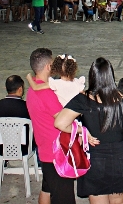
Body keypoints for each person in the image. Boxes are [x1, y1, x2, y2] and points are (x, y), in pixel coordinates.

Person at [55, 58, 123, 203]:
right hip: (120, 158)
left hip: (95, 160)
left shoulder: (83, 99)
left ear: (92, 76)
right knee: (119, 200)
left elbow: (60, 123)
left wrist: (83, 130)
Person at [26, 48, 75, 204]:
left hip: (45, 150)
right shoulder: (46, 93)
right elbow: (63, 120)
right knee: (64, 198)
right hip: (56, 154)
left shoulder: (33, 88)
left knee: (47, 190)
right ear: (48, 66)